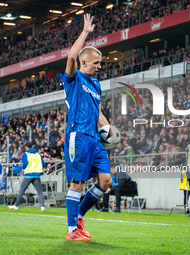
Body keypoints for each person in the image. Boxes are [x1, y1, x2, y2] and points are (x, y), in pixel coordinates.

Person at [63, 14, 112, 241]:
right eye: (96, 63)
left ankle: (80, 216)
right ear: (85, 63)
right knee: (78, 183)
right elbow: (71, 57)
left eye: (100, 63)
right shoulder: (74, 79)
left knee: (106, 181)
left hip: (95, 139)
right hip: (79, 136)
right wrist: (85, 32)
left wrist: (110, 129)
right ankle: (72, 231)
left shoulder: (96, 85)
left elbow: (98, 112)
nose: (99, 67)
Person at [9, 141, 46, 211]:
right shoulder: (38, 154)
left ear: (26, 147)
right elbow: (44, 164)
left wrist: (23, 168)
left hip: (28, 175)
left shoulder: (25, 154)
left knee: (21, 190)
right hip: (37, 175)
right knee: (39, 191)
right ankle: (42, 207)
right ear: (32, 146)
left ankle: (16, 205)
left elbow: (25, 164)